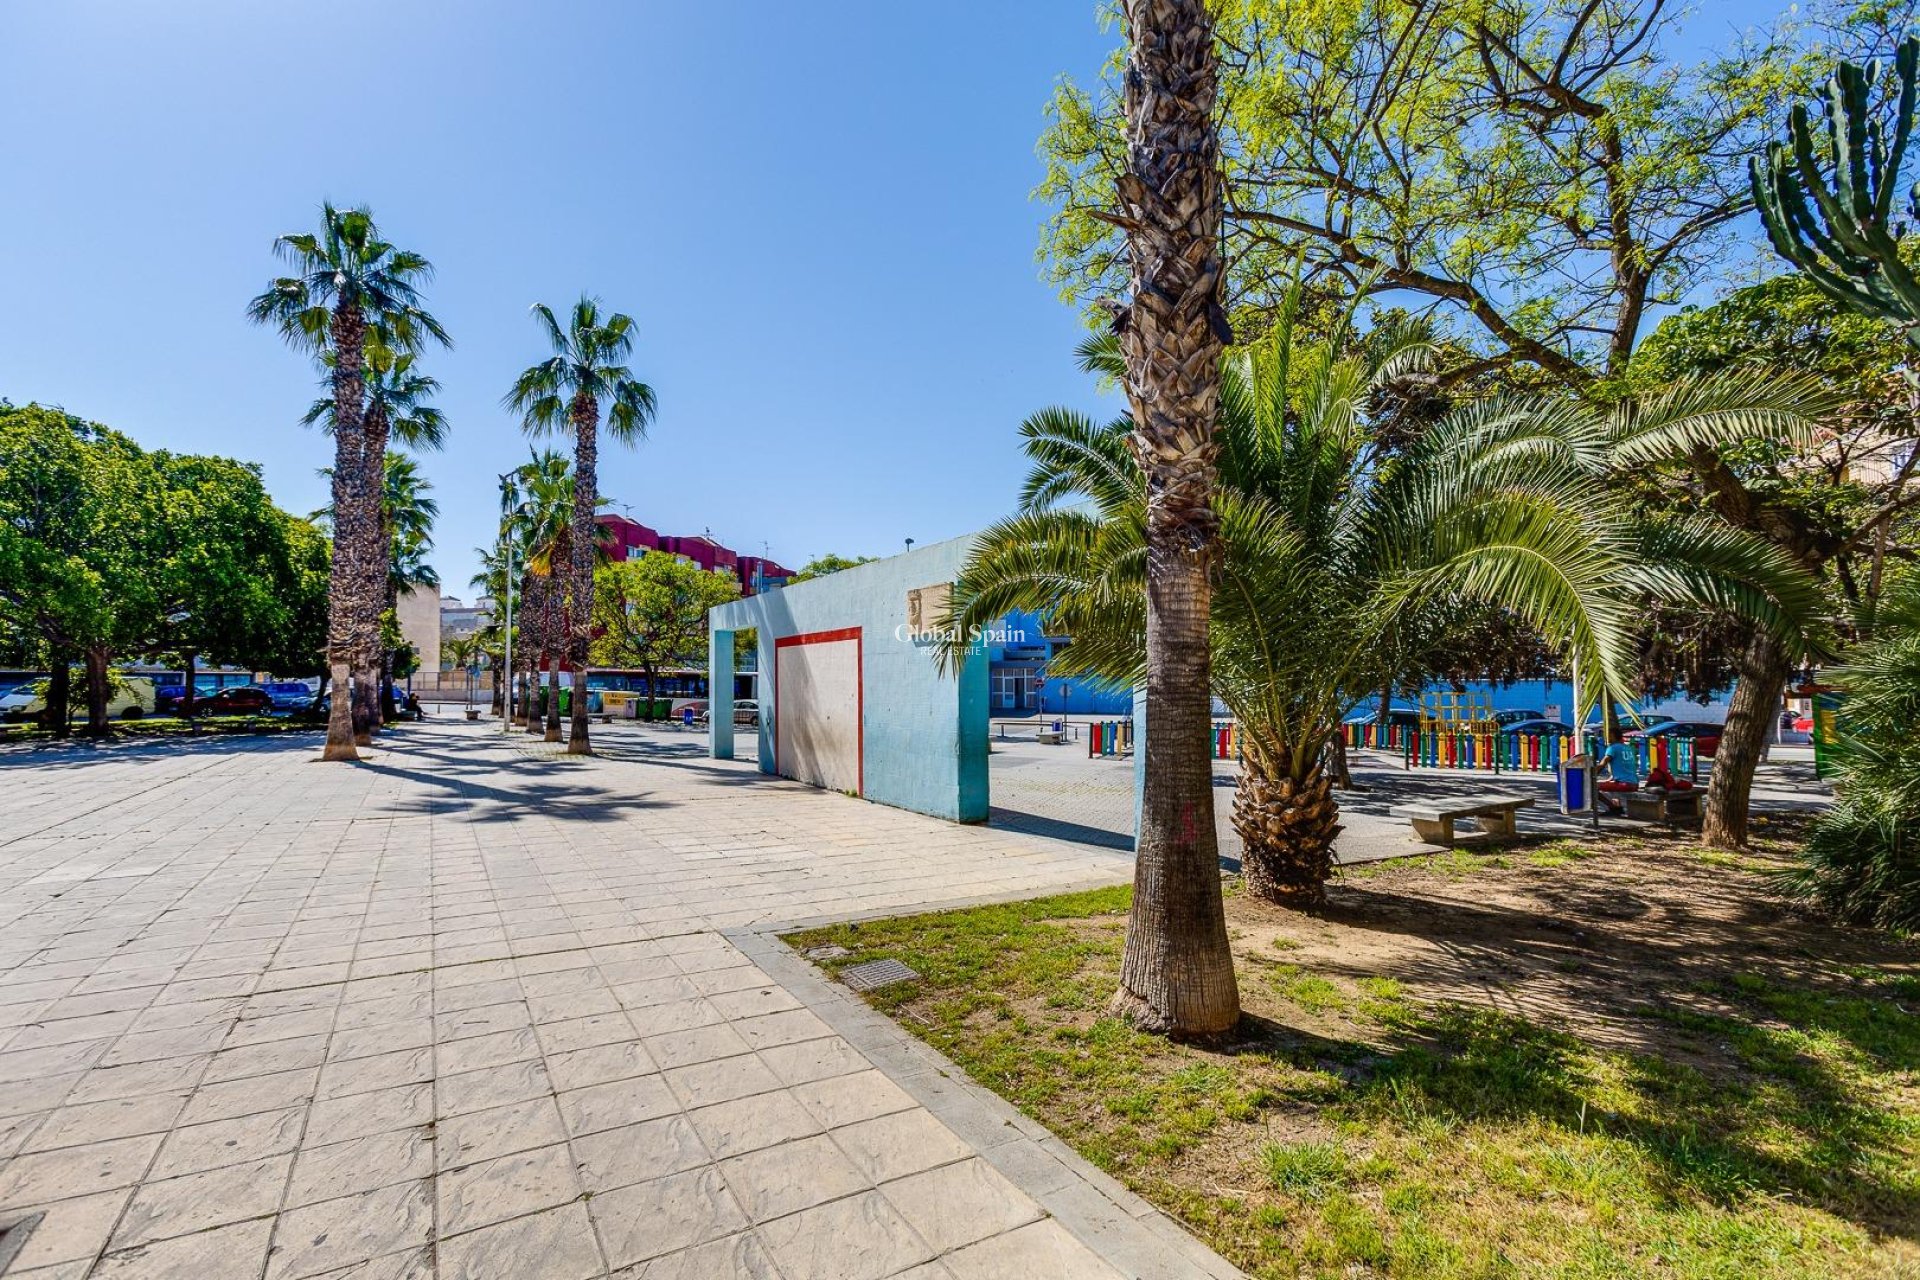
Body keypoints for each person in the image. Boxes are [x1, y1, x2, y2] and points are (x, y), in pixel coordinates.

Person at [1597, 738, 1640, 814]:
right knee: (1611, 785)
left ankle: (1612, 808)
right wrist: (1610, 779)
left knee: (1593, 787)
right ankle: (1617, 807)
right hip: (1635, 783)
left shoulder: (1612, 748)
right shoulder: (1628, 748)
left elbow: (1603, 764)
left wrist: (1593, 774)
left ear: (1613, 735)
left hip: (1625, 784)